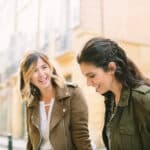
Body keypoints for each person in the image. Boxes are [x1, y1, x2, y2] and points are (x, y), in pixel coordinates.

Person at [77, 37, 150, 150]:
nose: (88, 83)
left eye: (91, 76)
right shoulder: (110, 100)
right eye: (86, 77)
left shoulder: (143, 100)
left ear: (111, 68)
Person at [19, 51, 92, 150]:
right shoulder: (31, 103)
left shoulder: (72, 93)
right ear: (29, 77)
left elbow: (81, 136)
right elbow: (30, 142)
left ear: (50, 68)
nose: (41, 74)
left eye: (44, 67)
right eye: (34, 70)